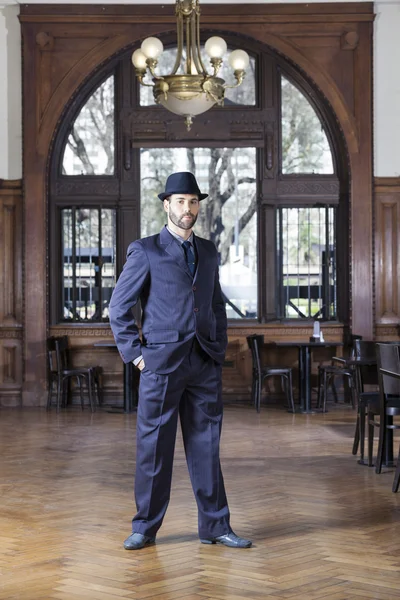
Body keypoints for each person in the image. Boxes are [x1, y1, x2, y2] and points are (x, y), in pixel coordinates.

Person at [109, 172, 252, 550]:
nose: (187, 209)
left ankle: (216, 526)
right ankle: (145, 527)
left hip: (203, 362)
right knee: (154, 447)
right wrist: (137, 357)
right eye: (180, 201)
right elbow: (118, 309)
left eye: (193, 201)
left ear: (198, 205)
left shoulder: (207, 251)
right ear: (166, 205)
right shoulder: (146, 250)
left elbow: (216, 305)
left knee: (207, 445)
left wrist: (217, 347)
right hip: (160, 364)